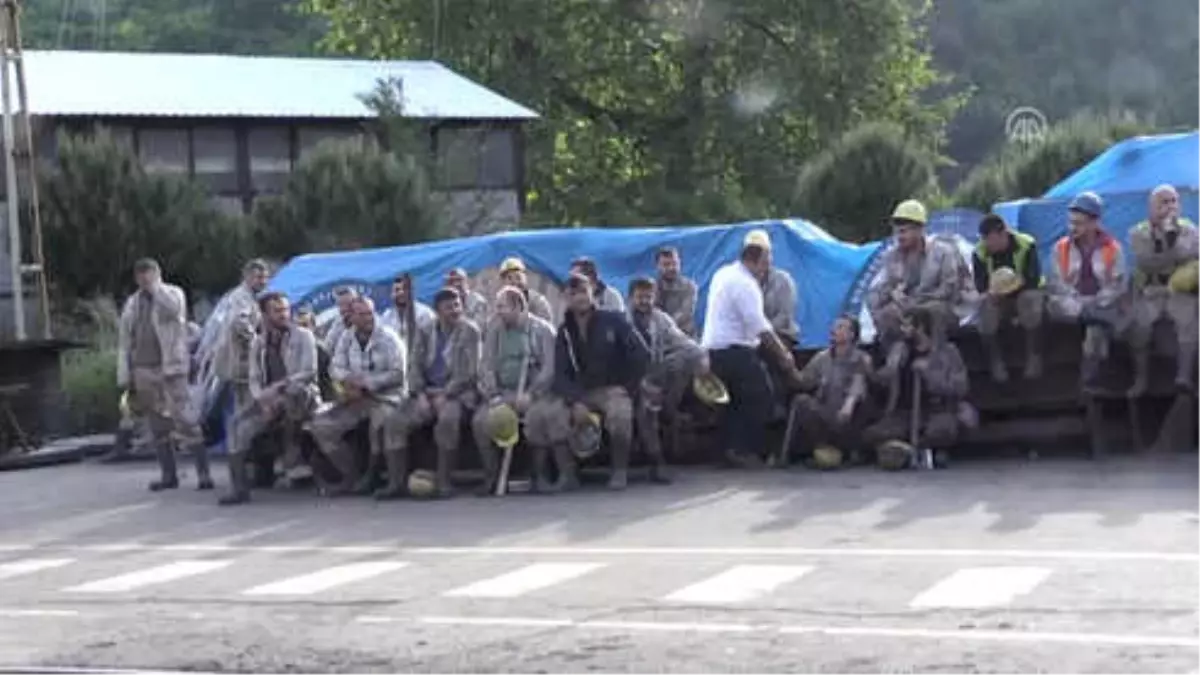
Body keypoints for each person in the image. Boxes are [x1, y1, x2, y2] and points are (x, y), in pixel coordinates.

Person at [701, 231, 801, 468]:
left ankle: (724, 452)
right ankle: (742, 449)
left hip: (714, 349)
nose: (765, 270)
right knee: (761, 397)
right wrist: (784, 356)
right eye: (764, 264)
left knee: (730, 402)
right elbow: (760, 326)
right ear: (756, 260)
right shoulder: (745, 283)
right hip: (736, 350)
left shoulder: (723, 273)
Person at [543, 273, 647, 490]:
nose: (579, 297)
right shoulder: (564, 332)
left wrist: (627, 388)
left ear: (592, 292)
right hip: (581, 393)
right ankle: (568, 475)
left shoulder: (615, 320)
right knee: (553, 414)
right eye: (573, 293)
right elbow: (560, 375)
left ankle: (619, 471)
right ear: (566, 298)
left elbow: (641, 355)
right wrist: (575, 401)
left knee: (620, 413)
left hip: (612, 389)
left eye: (583, 291)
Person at [117, 258, 211, 492]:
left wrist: (155, 289)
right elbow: (126, 338)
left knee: (186, 419)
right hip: (144, 368)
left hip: (171, 368)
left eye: (148, 275)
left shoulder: (172, 293)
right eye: (140, 276)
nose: (143, 280)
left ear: (157, 274)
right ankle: (169, 475)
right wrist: (127, 372)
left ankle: (204, 474)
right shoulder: (133, 303)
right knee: (158, 424)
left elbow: (173, 311)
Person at [220, 293, 319, 505]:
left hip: (299, 396)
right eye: (277, 311)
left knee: (294, 394)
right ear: (265, 315)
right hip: (269, 400)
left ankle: (293, 457)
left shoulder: (303, 336)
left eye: (285, 309)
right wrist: (262, 400)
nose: (284, 315)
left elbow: (308, 372)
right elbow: (254, 378)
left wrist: (278, 388)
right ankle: (239, 488)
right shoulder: (258, 342)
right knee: (237, 423)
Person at [867, 199, 962, 412]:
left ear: (920, 230)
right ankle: (893, 363)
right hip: (906, 315)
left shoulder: (943, 252)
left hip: (940, 309)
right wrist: (891, 294)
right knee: (887, 313)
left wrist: (917, 302)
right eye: (897, 232)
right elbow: (880, 290)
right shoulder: (891, 257)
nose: (900, 237)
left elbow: (949, 288)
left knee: (932, 310)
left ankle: (934, 360)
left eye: (905, 231)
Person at [308, 296, 406, 496]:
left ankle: (373, 476)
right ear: (351, 317)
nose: (368, 318)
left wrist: (367, 384)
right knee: (321, 426)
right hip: (356, 398)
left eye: (370, 313)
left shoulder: (389, 338)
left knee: (379, 425)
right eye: (361, 314)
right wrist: (348, 382)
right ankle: (351, 476)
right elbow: (335, 367)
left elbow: (398, 373)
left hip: (387, 397)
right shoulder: (347, 337)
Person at [395, 287, 483, 498]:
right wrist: (421, 394)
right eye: (449, 307)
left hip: (458, 392)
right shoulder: (425, 330)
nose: (454, 310)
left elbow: (469, 373)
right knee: (394, 421)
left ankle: (444, 482)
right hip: (427, 392)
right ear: (437, 311)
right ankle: (396, 483)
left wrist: (446, 394)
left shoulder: (470, 331)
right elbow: (414, 365)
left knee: (448, 419)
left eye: (457, 305)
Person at [473, 286, 558, 494]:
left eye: (502, 307)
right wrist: (493, 394)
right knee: (481, 421)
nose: (498, 311)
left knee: (538, 417)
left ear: (518, 306)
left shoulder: (544, 330)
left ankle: (539, 475)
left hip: (534, 394)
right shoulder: (494, 330)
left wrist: (532, 394)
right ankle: (491, 477)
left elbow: (549, 369)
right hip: (502, 393)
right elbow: (486, 365)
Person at [862, 307, 968, 468]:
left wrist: (930, 375)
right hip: (905, 412)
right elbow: (883, 379)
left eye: (907, 325)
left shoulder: (947, 352)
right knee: (873, 434)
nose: (903, 329)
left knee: (942, 430)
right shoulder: (900, 349)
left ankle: (927, 448)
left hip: (937, 410)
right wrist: (877, 371)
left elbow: (960, 386)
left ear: (920, 327)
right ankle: (905, 449)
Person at [627, 277, 708, 483]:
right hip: (627, 380)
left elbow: (683, 341)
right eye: (640, 297)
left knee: (684, 358)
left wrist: (702, 357)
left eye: (648, 296)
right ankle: (657, 461)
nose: (645, 301)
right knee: (647, 405)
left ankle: (670, 410)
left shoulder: (660, 319)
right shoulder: (622, 320)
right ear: (630, 298)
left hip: (655, 376)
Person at [1046, 192, 1127, 390]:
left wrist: (1098, 300)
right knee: (1055, 303)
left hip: (1100, 302)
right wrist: (1079, 303)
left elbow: (1117, 284)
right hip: (1071, 304)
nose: (1073, 228)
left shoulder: (1112, 248)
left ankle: (1088, 383)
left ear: (1094, 223)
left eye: (1079, 223)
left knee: (1095, 332)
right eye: (1071, 222)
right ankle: (1092, 317)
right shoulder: (1061, 248)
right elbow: (1056, 282)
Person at [1127, 184, 1199, 395]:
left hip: (1178, 292)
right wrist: (1175, 250)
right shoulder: (1138, 232)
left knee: (1189, 322)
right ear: (1151, 207)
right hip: (1151, 290)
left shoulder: (1190, 228)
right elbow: (1146, 262)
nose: (1169, 207)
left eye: (1173, 201)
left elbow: (1194, 253)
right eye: (1163, 202)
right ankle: (1141, 379)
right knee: (1139, 326)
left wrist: (1172, 241)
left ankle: (1184, 377)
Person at [787, 315, 874, 465]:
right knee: (802, 401)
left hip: (851, 417)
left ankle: (853, 451)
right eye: (834, 326)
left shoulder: (861, 358)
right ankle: (818, 447)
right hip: (827, 414)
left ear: (852, 334)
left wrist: (848, 405)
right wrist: (788, 366)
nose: (834, 330)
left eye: (841, 327)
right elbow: (804, 382)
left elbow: (858, 384)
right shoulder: (822, 358)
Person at [972, 214, 1045, 382]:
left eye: (991, 240)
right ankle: (995, 361)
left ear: (1003, 234)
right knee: (985, 306)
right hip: (997, 296)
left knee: (1030, 300)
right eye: (985, 240)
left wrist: (1012, 286)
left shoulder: (1026, 244)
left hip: (1024, 291)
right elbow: (980, 284)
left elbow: (1033, 278)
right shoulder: (979, 252)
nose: (988, 244)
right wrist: (993, 292)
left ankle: (1034, 355)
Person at [214, 259, 270, 462]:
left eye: (265, 277)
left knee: (243, 413)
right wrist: (260, 342)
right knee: (244, 414)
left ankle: (244, 457)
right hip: (240, 364)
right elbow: (240, 323)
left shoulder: (253, 297)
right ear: (246, 277)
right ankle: (241, 459)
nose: (262, 281)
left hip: (243, 363)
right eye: (258, 277)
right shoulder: (241, 297)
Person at [380, 273, 435, 356]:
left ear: (412, 291)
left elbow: (432, 344)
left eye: (405, 289)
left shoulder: (426, 314)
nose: (401, 293)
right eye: (397, 290)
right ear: (392, 294)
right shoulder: (386, 316)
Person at [653, 247, 698, 336]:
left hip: (684, 336)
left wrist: (664, 327)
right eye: (666, 264)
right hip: (657, 338)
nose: (671, 268)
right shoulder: (652, 288)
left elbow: (684, 314)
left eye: (675, 264)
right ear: (657, 266)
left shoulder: (689, 287)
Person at [499, 257, 554, 323]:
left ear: (525, 278)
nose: (515, 282)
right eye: (509, 278)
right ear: (503, 282)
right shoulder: (501, 302)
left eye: (518, 277)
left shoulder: (538, 301)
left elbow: (546, 326)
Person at [322, 286, 359, 352]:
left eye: (349, 304)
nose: (344, 308)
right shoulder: (338, 323)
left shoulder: (369, 321)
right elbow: (327, 347)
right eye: (341, 305)